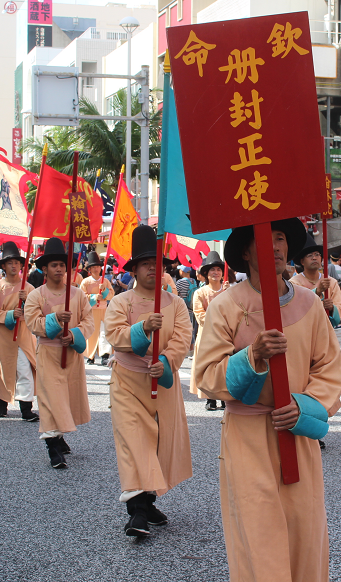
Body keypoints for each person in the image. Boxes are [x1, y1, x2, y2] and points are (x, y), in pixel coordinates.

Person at [194, 217, 341, 582]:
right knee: (258, 535)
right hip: (247, 437)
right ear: (245, 252)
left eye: (281, 239)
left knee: (305, 531)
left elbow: (329, 369)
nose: (275, 246)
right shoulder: (226, 305)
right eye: (265, 238)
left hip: (296, 433)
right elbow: (205, 376)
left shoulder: (309, 304)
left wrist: (303, 407)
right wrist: (251, 357)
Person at [104, 225, 192, 537]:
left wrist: (166, 361)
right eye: (145, 265)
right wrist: (142, 329)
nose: (152, 270)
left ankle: (148, 500)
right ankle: (137, 513)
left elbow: (182, 337)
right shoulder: (121, 302)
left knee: (159, 442)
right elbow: (114, 335)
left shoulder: (176, 303)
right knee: (135, 442)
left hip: (162, 385)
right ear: (135, 270)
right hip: (128, 382)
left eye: (156, 264)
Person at [24, 239, 95, 469]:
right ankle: (52, 447)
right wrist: (55, 320)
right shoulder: (36, 295)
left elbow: (88, 322)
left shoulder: (77, 294)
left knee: (66, 399)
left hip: (71, 356)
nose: (58, 269)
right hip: (48, 354)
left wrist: (73, 334)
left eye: (61, 265)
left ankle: (60, 435)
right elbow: (33, 323)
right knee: (50, 398)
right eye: (53, 265)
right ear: (44, 269)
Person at [0, 242, 38, 421]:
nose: (14, 266)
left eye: (17, 262)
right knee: (3, 369)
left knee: (24, 369)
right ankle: (2, 404)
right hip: (2, 335)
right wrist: (9, 314)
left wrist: (27, 301)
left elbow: (38, 311)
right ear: (4, 266)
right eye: (10, 263)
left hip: (22, 334)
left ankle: (26, 408)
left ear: (21, 265)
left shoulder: (29, 288)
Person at [191, 251, 229, 411]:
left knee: (225, 367)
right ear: (206, 274)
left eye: (219, 270)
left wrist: (228, 295)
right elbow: (200, 316)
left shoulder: (229, 291)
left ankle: (225, 397)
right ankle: (210, 399)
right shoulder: (200, 293)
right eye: (212, 270)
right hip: (207, 336)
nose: (216, 273)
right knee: (208, 367)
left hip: (226, 336)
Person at [290, 231, 341, 328]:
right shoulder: (294, 282)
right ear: (302, 261)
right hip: (303, 330)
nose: (314, 258)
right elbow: (294, 307)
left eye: (317, 254)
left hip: (325, 329)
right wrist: (316, 291)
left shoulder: (331, 282)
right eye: (309, 256)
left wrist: (332, 308)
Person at [79, 252, 114, 366]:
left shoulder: (105, 281)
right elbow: (82, 296)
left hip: (104, 310)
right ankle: (91, 355)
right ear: (89, 269)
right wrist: (94, 297)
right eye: (93, 267)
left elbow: (111, 294)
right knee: (91, 333)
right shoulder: (86, 282)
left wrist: (104, 292)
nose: (96, 269)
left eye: (97, 266)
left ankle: (105, 355)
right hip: (91, 311)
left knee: (104, 332)